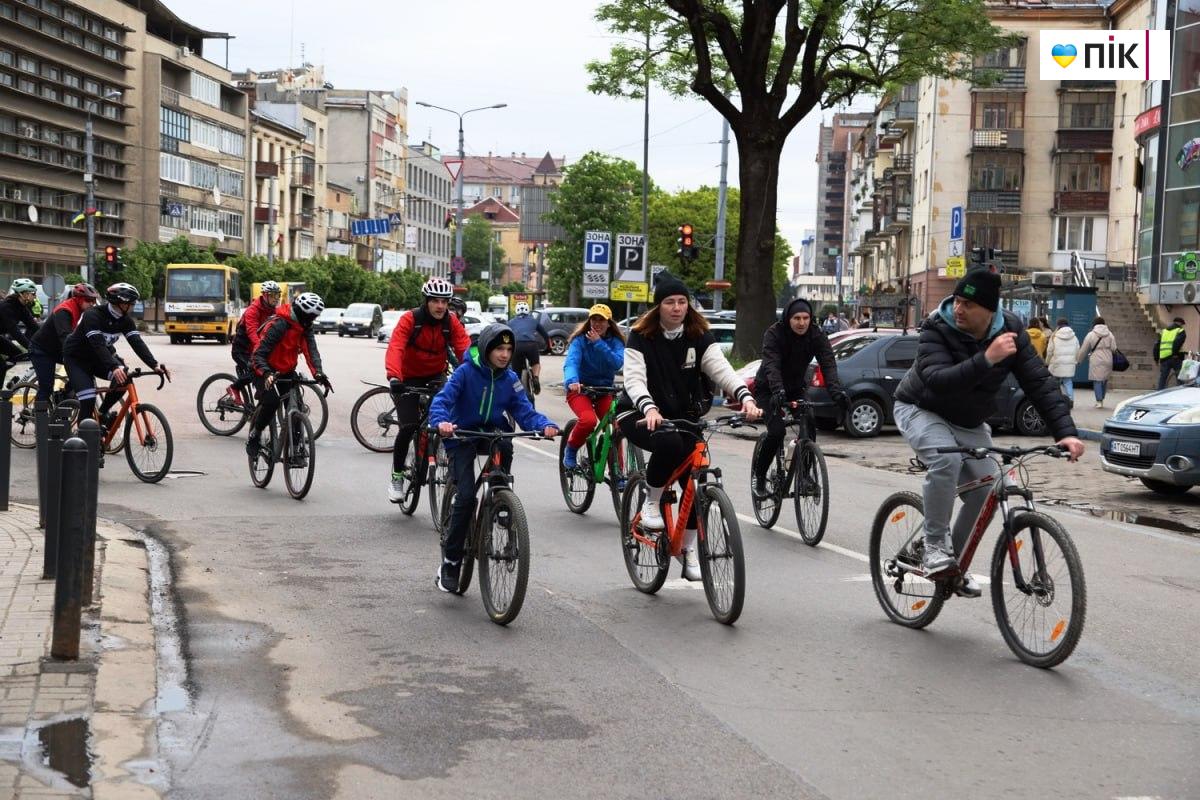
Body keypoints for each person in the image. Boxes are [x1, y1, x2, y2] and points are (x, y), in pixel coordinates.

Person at [891, 270, 1084, 597]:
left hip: (968, 420)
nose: (958, 309)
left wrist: (1065, 432)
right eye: (957, 301)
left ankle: (953, 567)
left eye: (968, 304)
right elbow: (938, 379)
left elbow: (1039, 385)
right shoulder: (936, 327)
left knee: (990, 490)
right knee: (945, 462)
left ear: (989, 310)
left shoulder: (1012, 332)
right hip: (921, 407)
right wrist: (987, 358)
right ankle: (936, 545)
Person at [617, 275, 763, 581]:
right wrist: (649, 407)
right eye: (669, 302)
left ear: (689, 305)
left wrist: (746, 399)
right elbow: (633, 379)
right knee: (668, 444)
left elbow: (722, 371)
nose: (676, 308)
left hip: (683, 416)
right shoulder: (640, 336)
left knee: (693, 484)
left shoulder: (699, 336)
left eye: (682, 301)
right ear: (658, 306)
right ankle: (652, 503)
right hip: (638, 413)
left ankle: (689, 551)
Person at [428, 323, 559, 594]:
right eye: (499, 348)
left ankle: (500, 494)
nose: (504, 354)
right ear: (487, 348)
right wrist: (441, 422)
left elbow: (525, 410)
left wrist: (544, 424)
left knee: (506, 444)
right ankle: (451, 563)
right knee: (465, 497)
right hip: (460, 432)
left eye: (509, 349)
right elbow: (441, 401)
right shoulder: (465, 373)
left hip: (491, 431)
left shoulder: (509, 378)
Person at [750, 297, 846, 500]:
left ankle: (805, 476)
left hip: (795, 387)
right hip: (768, 388)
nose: (802, 323)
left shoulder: (816, 334)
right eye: (797, 318)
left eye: (806, 318)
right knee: (776, 432)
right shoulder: (774, 334)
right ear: (788, 318)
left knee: (809, 421)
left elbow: (828, 363)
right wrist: (777, 390)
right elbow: (771, 364)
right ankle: (759, 477)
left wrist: (836, 392)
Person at [384, 277, 470, 502]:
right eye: (435, 301)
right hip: (406, 379)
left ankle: (450, 473)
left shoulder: (450, 322)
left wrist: (478, 371)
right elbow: (396, 347)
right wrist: (394, 376)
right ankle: (397, 477)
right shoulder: (410, 319)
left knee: (447, 423)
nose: (440, 306)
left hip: (435, 377)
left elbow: (465, 348)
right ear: (426, 301)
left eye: (445, 301)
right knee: (409, 426)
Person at [62, 283, 169, 428]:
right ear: (120, 303)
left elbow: (137, 343)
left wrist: (154, 365)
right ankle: (84, 441)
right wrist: (113, 366)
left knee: (124, 379)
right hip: (77, 360)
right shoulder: (92, 315)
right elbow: (98, 344)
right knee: (88, 399)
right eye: (131, 303)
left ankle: (102, 413)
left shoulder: (125, 321)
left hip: (96, 358)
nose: (133, 306)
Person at [246, 292, 332, 457]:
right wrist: (266, 373)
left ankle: (296, 447)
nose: (312, 320)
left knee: (296, 407)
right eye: (310, 316)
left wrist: (319, 373)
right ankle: (254, 434)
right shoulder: (279, 325)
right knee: (271, 402)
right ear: (301, 312)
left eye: (315, 316)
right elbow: (258, 355)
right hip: (262, 368)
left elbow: (311, 351)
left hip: (285, 370)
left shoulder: (304, 326)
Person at [562, 303, 625, 469]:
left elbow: (617, 363)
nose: (597, 323)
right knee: (588, 421)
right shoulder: (580, 341)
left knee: (615, 429)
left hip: (604, 391)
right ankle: (571, 449)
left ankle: (617, 471)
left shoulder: (616, 342)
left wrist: (599, 343)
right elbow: (571, 363)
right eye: (594, 319)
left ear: (609, 323)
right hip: (581, 389)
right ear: (589, 321)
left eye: (601, 320)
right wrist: (572, 381)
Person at [28, 283, 99, 401]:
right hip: (41, 350)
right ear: (78, 298)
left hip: (56, 349)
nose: (92, 303)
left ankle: (64, 396)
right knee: (46, 387)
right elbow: (65, 338)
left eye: (94, 300)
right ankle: (39, 416)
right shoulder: (64, 311)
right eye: (88, 300)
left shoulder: (82, 310)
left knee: (86, 366)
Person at [230, 280, 281, 395]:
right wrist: (262, 350)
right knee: (255, 370)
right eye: (272, 295)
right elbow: (252, 333)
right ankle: (234, 388)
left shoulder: (274, 310)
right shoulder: (253, 310)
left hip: (256, 349)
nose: (276, 298)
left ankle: (261, 394)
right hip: (241, 350)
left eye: (277, 295)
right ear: (264, 295)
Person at [0, 278, 40, 385]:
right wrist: (31, 347)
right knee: (1, 365)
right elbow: (15, 332)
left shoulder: (21, 307)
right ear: (24, 294)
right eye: (33, 293)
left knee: (17, 354)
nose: (35, 296)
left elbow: (34, 326)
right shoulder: (6, 307)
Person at [507, 302, 550, 395]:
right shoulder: (533, 321)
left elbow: (506, 335)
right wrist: (549, 347)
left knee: (515, 371)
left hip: (517, 345)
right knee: (535, 363)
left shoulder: (510, 322)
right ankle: (535, 378)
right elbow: (545, 335)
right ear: (528, 310)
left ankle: (516, 390)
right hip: (531, 345)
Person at [1078, 316, 1116, 408]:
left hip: (1096, 359)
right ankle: (1102, 398)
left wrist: (1079, 360)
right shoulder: (1110, 334)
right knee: (1104, 380)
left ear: (1094, 324)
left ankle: (1099, 401)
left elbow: (1084, 349)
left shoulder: (1091, 334)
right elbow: (1114, 348)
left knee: (1097, 380)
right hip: (1108, 358)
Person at [1045, 318, 1080, 405]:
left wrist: (1047, 362)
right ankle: (1070, 400)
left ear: (1058, 325)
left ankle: (1056, 400)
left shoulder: (1054, 336)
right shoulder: (1074, 337)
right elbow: (1077, 350)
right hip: (1069, 363)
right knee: (1068, 382)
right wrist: (1075, 360)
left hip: (1057, 363)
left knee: (1055, 382)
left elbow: (1050, 351)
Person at [1154, 316, 1188, 390]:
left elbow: (1156, 346)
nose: (1182, 326)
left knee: (1163, 378)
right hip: (1176, 358)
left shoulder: (1164, 331)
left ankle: (1159, 393)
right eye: (1182, 324)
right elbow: (1177, 343)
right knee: (1179, 378)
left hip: (1164, 358)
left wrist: (1156, 359)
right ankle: (1180, 394)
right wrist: (1175, 354)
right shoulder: (1180, 331)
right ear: (1179, 323)